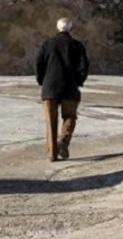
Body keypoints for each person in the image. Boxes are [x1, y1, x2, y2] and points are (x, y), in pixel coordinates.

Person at [34, 17, 90, 161]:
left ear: (58, 28)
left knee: (50, 121)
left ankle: (52, 153)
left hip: (50, 87)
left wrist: (42, 81)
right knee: (70, 116)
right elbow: (84, 67)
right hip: (70, 87)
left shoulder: (48, 44)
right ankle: (63, 141)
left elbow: (38, 63)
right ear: (70, 29)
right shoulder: (77, 45)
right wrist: (79, 81)